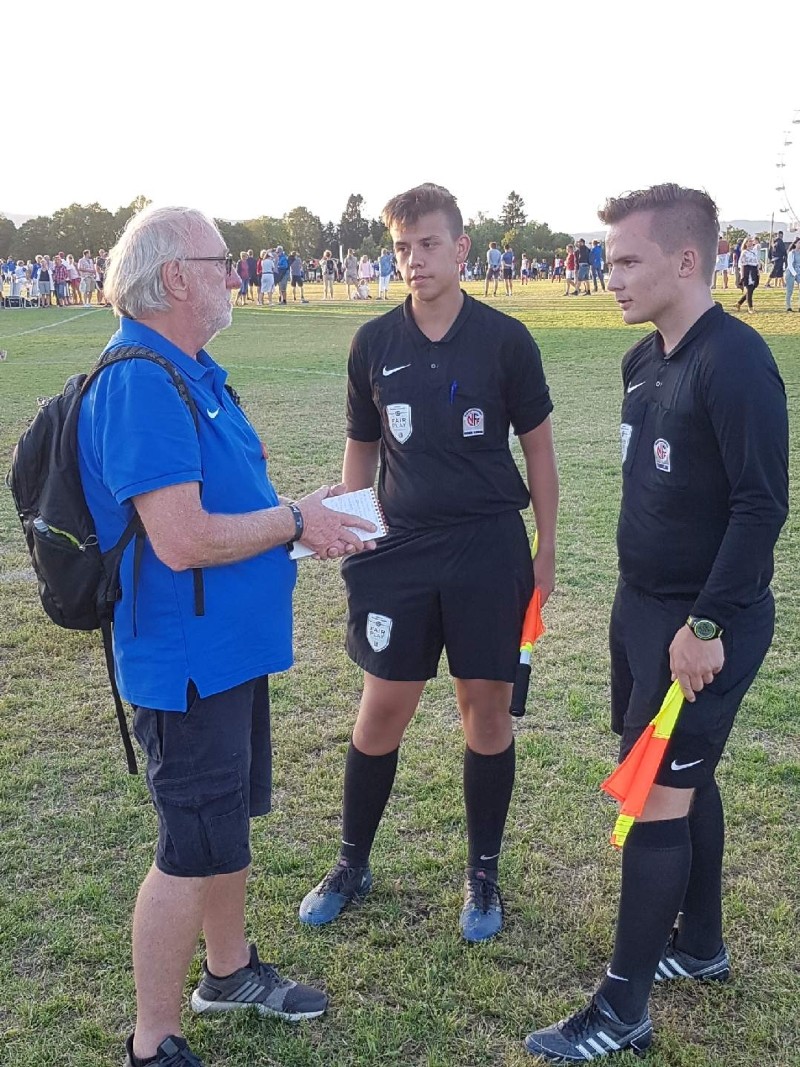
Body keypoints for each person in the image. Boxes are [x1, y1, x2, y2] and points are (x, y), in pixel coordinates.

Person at [76, 205, 377, 1067]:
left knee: (225, 824)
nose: (237, 275)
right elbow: (180, 539)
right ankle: (153, 1039)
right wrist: (294, 519)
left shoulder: (192, 370)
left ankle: (229, 969)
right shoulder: (140, 381)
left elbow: (229, 502)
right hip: (187, 663)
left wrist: (306, 515)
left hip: (228, 652)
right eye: (223, 262)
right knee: (187, 847)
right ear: (176, 277)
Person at [524, 183, 788, 1062]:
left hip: (702, 626)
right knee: (682, 778)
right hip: (639, 610)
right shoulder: (642, 358)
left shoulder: (737, 361)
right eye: (609, 261)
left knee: (655, 798)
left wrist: (706, 625)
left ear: (686, 260)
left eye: (629, 260)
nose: (613, 277)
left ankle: (621, 1010)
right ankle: (700, 943)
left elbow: (761, 506)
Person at [298, 182, 558, 944]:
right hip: (401, 551)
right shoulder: (373, 343)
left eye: (429, 244)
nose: (414, 259)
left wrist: (545, 549)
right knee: (383, 705)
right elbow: (361, 450)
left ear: (462, 248)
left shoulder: (506, 340)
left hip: (487, 547)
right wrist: (352, 528)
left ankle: (483, 871)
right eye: (402, 248)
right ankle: (351, 861)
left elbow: (539, 452)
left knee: (486, 708)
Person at [736, 237, 760, 314]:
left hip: (754, 270)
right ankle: (750, 307)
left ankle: (739, 303)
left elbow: (756, 262)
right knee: (749, 289)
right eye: (749, 241)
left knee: (752, 289)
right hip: (748, 271)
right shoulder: (744, 252)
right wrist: (742, 275)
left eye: (751, 241)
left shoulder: (754, 251)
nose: (751, 242)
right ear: (746, 243)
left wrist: (758, 271)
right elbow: (741, 264)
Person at [784, 237, 800, 311]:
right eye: (799, 243)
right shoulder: (791, 253)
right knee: (789, 290)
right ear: (795, 244)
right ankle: (788, 306)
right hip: (791, 272)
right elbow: (790, 265)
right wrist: (794, 274)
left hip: (799, 271)